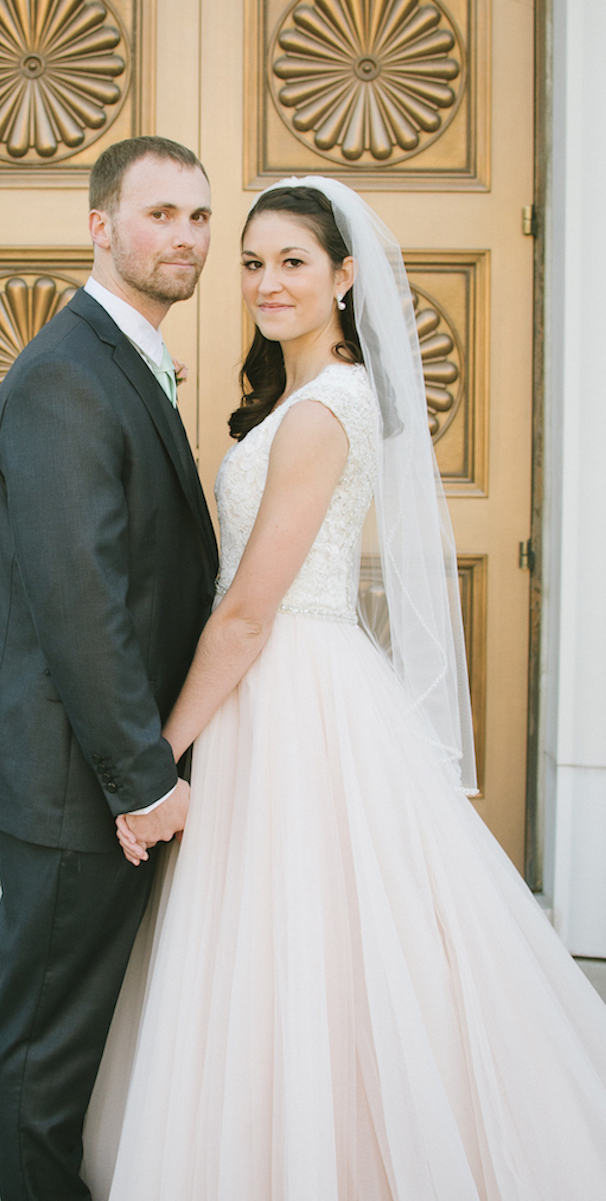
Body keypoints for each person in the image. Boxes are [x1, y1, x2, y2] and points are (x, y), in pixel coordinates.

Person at [80, 178, 606, 1200]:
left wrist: (158, 754)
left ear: (343, 276)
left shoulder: (326, 409)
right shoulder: (299, 396)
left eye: (291, 263)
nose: (265, 283)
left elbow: (244, 614)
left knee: (310, 937)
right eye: (251, 262)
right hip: (286, 686)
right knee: (278, 945)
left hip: (288, 692)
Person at [0, 136, 218, 1201]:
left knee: (71, 1029)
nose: (185, 238)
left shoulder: (123, 356)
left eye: (199, 217)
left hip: (93, 767)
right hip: (75, 776)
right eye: (159, 214)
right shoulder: (65, 375)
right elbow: (81, 609)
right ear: (98, 226)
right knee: (46, 1044)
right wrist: (143, 779)